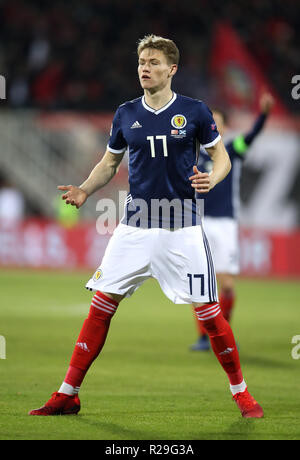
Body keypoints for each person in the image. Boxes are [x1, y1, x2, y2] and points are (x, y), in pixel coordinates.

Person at [29, 35, 263, 418]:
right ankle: (68, 393)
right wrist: (85, 190)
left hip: (182, 227)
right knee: (101, 306)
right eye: (141, 60)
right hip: (134, 226)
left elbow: (221, 158)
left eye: (153, 61)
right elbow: (108, 164)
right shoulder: (125, 114)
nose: (145, 67)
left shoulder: (195, 111)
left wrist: (214, 179)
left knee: (209, 313)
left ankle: (241, 394)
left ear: (172, 69)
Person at [190, 93, 274, 351]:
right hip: (198, 223)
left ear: (224, 127)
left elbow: (252, 136)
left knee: (225, 283)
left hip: (225, 223)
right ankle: (205, 336)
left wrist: (264, 115)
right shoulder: (193, 154)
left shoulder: (232, 150)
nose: (213, 126)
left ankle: (223, 332)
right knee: (198, 284)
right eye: (210, 122)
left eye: (217, 122)